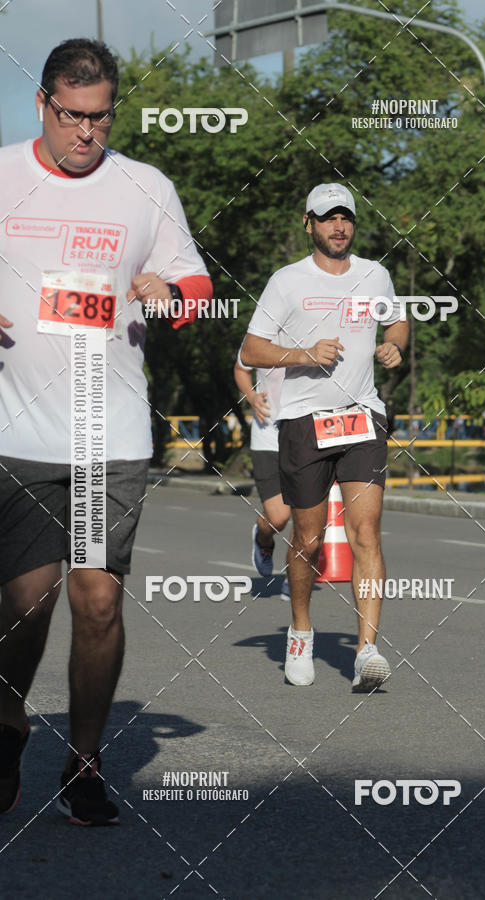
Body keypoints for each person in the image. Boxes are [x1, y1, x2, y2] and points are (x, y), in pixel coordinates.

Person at [0, 39, 212, 825]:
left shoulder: (143, 186)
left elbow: (194, 284)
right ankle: (8, 721)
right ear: (43, 106)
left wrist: (170, 291)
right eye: (72, 116)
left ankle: (84, 763)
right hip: (17, 430)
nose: (86, 133)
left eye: (100, 117)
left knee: (96, 601)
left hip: (110, 432)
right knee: (26, 600)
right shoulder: (3, 176)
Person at [240, 183, 408, 691]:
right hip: (304, 423)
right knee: (308, 540)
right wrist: (303, 354)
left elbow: (396, 324)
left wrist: (394, 347)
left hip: (362, 418)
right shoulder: (287, 282)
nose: (339, 227)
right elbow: (251, 349)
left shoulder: (374, 275)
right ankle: (300, 631)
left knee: (366, 534)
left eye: (346, 218)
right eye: (327, 218)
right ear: (308, 223)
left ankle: (367, 650)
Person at [233, 353, 291, 599]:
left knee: (307, 518)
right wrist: (252, 396)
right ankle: (263, 538)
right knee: (278, 518)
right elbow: (241, 369)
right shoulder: (261, 333)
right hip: (267, 436)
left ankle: (295, 577)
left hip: (305, 438)